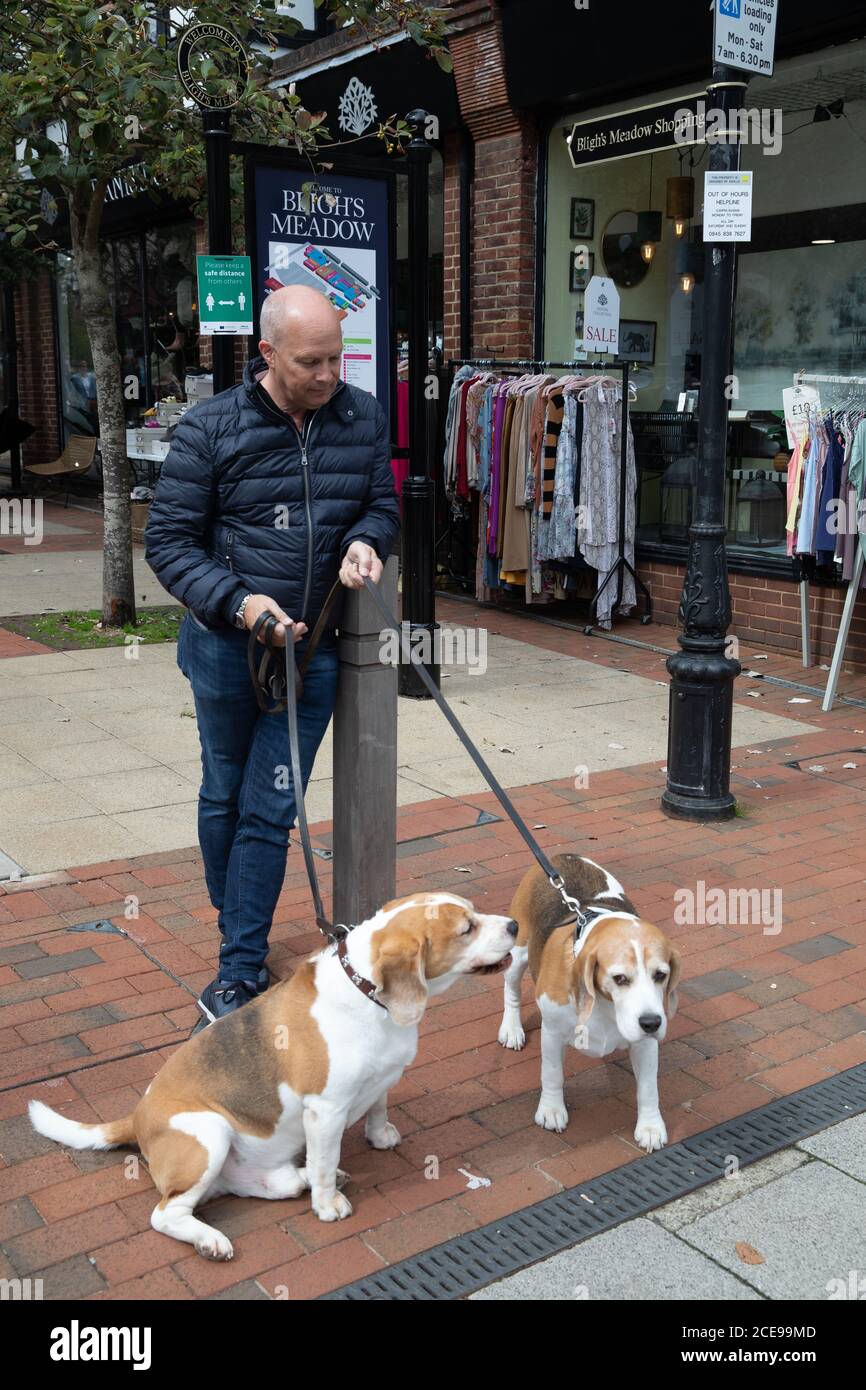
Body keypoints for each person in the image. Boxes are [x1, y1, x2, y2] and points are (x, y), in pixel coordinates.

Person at [145, 285, 400, 1022]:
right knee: (223, 791)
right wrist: (240, 603)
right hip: (228, 649)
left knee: (270, 807)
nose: (328, 375)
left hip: (310, 653)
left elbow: (382, 504)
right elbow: (168, 543)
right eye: (310, 362)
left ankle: (239, 965)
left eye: (337, 357)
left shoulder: (360, 416)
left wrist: (365, 540)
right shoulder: (210, 429)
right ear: (268, 354)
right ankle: (238, 923)